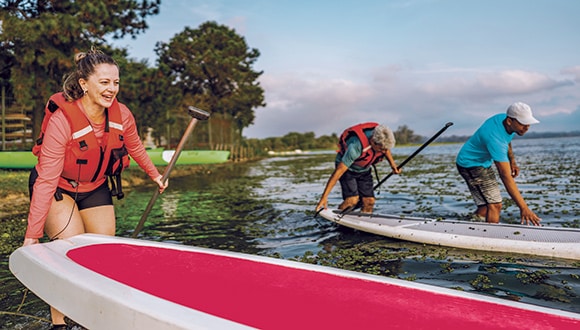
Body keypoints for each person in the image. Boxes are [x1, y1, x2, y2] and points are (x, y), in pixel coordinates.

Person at [23, 48, 168, 329]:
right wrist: (32, 235)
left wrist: (155, 174)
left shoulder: (122, 114)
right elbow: (46, 179)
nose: (112, 89)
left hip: (95, 186)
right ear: (84, 84)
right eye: (104, 82)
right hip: (59, 187)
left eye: (115, 82)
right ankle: (60, 323)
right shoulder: (62, 120)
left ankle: (92, 316)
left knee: (103, 254)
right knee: (68, 254)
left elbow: (134, 145)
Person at [456, 102, 541, 226]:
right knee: (495, 204)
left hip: (477, 161)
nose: (527, 127)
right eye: (523, 123)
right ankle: (489, 238)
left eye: (528, 123)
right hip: (471, 165)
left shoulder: (504, 120)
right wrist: (524, 208)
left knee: (486, 206)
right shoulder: (495, 139)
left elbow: (507, 139)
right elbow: (505, 176)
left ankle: (472, 224)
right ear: (509, 121)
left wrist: (512, 161)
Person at [316, 122, 401, 214]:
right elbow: (338, 173)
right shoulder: (355, 147)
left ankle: (363, 222)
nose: (384, 152)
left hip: (364, 169)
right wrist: (324, 197)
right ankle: (338, 217)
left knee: (369, 201)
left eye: (385, 149)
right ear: (373, 142)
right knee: (352, 200)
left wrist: (393, 165)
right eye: (381, 149)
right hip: (348, 170)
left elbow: (385, 149)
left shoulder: (381, 141)